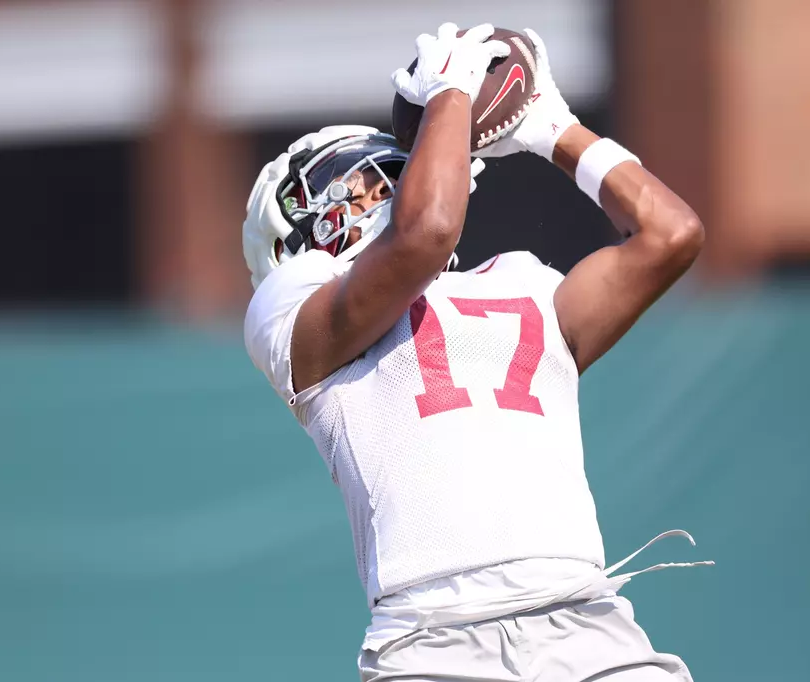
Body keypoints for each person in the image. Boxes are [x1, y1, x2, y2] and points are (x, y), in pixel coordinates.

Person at [243, 22, 711, 682]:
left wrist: (556, 131)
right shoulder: (288, 312)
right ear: (294, 232)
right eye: (354, 184)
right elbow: (426, 231)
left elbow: (669, 235)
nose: (378, 186)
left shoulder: (523, 281)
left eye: (387, 175)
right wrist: (450, 95)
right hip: (432, 642)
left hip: (585, 622)